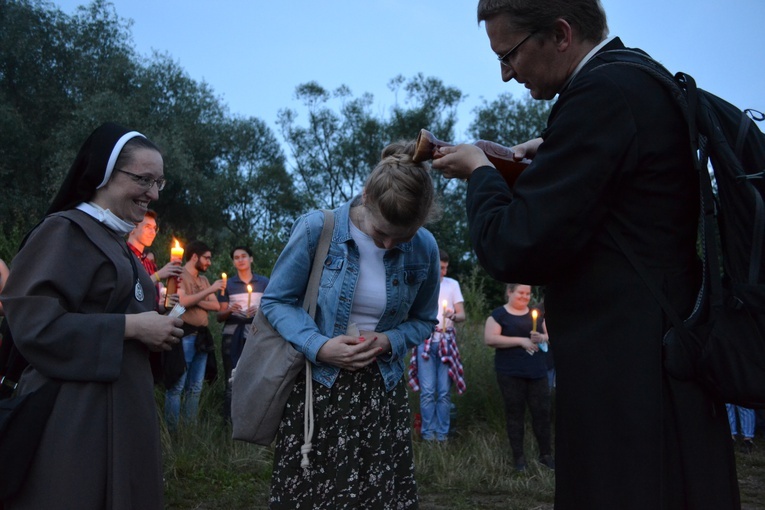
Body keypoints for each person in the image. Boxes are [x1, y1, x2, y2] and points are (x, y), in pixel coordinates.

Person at [431, 1, 740, 508]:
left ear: (559, 34)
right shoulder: (640, 77)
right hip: (662, 359)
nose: (506, 75)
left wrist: (482, 172)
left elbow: (514, 244)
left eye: (509, 55)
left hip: (628, 381)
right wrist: (552, 153)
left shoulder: (600, 96)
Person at [0, 122, 183, 509]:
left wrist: (159, 329)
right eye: (144, 179)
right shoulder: (64, 231)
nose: (153, 193)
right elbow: (34, 326)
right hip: (75, 416)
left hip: (126, 407)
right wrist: (132, 327)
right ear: (104, 173)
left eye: (159, 183)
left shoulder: (118, 243)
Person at [260, 140, 441, 509]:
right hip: (317, 391)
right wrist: (319, 345)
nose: (390, 244)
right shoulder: (317, 228)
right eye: (380, 234)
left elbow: (424, 320)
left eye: (401, 238)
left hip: (382, 396)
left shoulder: (425, 247)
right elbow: (276, 301)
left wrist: (389, 339)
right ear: (366, 197)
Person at [484, 284, 553, 471]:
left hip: (537, 371)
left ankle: (545, 454)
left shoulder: (536, 314)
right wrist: (521, 341)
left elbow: (549, 334)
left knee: (542, 413)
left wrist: (542, 337)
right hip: (510, 373)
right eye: (520, 293)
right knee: (515, 414)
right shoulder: (499, 315)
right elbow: (490, 338)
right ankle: (519, 458)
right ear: (509, 292)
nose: (525, 297)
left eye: (528, 294)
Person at [164, 239, 224, 431]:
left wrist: (194, 300)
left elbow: (215, 305)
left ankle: (189, 431)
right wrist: (206, 293)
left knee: (195, 388)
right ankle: (172, 432)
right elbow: (180, 301)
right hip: (185, 335)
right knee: (177, 386)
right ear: (195, 256)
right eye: (206, 258)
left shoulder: (204, 280)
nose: (209, 262)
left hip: (202, 338)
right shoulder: (179, 273)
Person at [408, 249, 466, 442]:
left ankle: (442, 434)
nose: (444, 272)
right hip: (425, 342)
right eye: (441, 267)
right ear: (433, 266)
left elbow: (462, 315)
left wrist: (452, 316)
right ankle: (427, 434)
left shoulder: (452, 285)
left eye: (446, 268)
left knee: (443, 392)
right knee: (427, 391)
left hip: (446, 343)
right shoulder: (423, 285)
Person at [216, 245, 269, 421]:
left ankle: (253, 420)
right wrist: (230, 309)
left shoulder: (264, 283)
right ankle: (230, 421)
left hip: (256, 334)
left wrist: (260, 310)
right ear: (233, 262)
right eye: (236, 257)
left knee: (256, 376)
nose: (240, 260)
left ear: (251, 259)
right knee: (232, 377)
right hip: (233, 334)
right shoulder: (228, 285)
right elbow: (219, 315)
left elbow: (271, 308)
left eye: (243, 256)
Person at [127, 210, 183, 310]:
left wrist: (167, 304)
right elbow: (128, 293)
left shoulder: (149, 263)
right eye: (147, 227)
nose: (153, 233)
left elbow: (152, 306)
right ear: (132, 228)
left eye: (154, 228)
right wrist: (158, 275)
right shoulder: (124, 256)